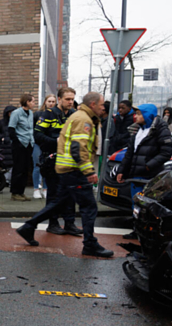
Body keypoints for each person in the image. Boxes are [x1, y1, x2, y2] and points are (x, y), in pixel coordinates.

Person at [17, 91, 112, 257]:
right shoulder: (83, 120)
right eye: (101, 104)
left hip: (66, 167)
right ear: (92, 105)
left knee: (58, 202)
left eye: (72, 99)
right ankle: (89, 244)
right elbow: (77, 147)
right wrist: (88, 170)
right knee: (89, 207)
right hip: (74, 169)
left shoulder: (77, 116)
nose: (103, 108)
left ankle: (28, 227)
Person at [118, 104, 172, 239]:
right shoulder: (137, 130)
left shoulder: (161, 129)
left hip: (149, 177)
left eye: (139, 114)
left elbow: (166, 152)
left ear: (148, 115)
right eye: (135, 113)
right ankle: (137, 231)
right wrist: (121, 171)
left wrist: (148, 166)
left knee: (148, 206)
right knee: (135, 205)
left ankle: (148, 233)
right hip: (136, 176)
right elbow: (129, 153)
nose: (135, 116)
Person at [33, 87, 80, 236]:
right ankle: (53, 224)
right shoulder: (48, 114)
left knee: (70, 193)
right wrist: (55, 142)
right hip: (52, 160)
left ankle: (70, 224)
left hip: (69, 160)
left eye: (72, 99)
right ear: (59, 99)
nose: (70, 102)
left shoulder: (74, 114)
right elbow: (37, 136)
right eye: (67, 99)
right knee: (54, 193)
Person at [8, 93, 36, 201]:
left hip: (29, 144)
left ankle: (21, 192)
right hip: (19, 144)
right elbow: (11, 129)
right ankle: (15, 193)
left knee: (25, 169)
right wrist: (18, 142)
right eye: (33, 101)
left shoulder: (30, 113)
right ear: (27, 102)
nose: (34, 103)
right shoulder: (16, 113)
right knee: (18, 169)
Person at [32, 95, 56, 199]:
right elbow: (33, 129)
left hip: (50, 145)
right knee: (37, 166)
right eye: (49, 101)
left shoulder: (56, 114)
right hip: (38, 144)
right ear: (45, 102)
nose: (51, 103)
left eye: (53, 101)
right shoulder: (38, 114)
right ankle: (36, 189)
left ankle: (46, 189)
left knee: (48, 167)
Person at [0, 105, 15, 172]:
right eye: (10, 113)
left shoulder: (18, 122)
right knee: (5, 165)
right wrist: (2, 138)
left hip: (14, 146)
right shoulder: (2, 122)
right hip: (5, 147)